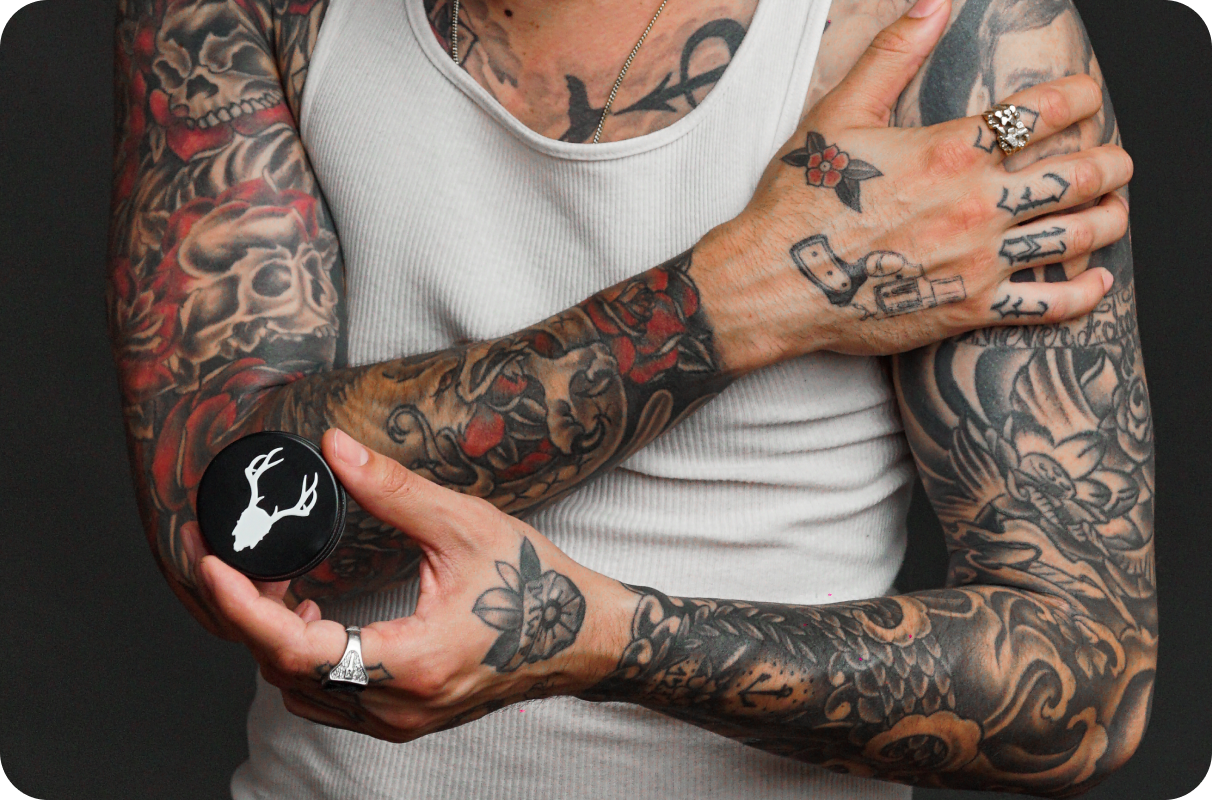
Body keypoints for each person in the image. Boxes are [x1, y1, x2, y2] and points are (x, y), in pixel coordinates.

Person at [108, 0, 1154, 797]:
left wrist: (609, 639)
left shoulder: (945, 30)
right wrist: (732, 299)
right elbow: (221, 523)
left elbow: (1084, 679)